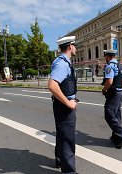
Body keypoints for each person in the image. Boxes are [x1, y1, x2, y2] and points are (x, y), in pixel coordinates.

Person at [48, 36, 79, 174]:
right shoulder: (62, 64)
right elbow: (52, 85)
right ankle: (69, 172)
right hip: (64, 106)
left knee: (62, 134)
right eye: (75, 45)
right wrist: (68, 103)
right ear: (70, 46)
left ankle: (60, 160)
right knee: (67, 139)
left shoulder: (63, 62)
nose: (76, 48)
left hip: (62, 104)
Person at [101, 49, 122, 149]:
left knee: (109, 114)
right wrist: (121, 88)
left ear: (107, 56)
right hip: (120, 92)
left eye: (105, 57)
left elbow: (109, 81)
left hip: (114, 93)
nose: (105, 59)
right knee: (116, 114)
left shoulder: (110, 66)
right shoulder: (120, 65)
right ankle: (116, 137)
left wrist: (104, 90)